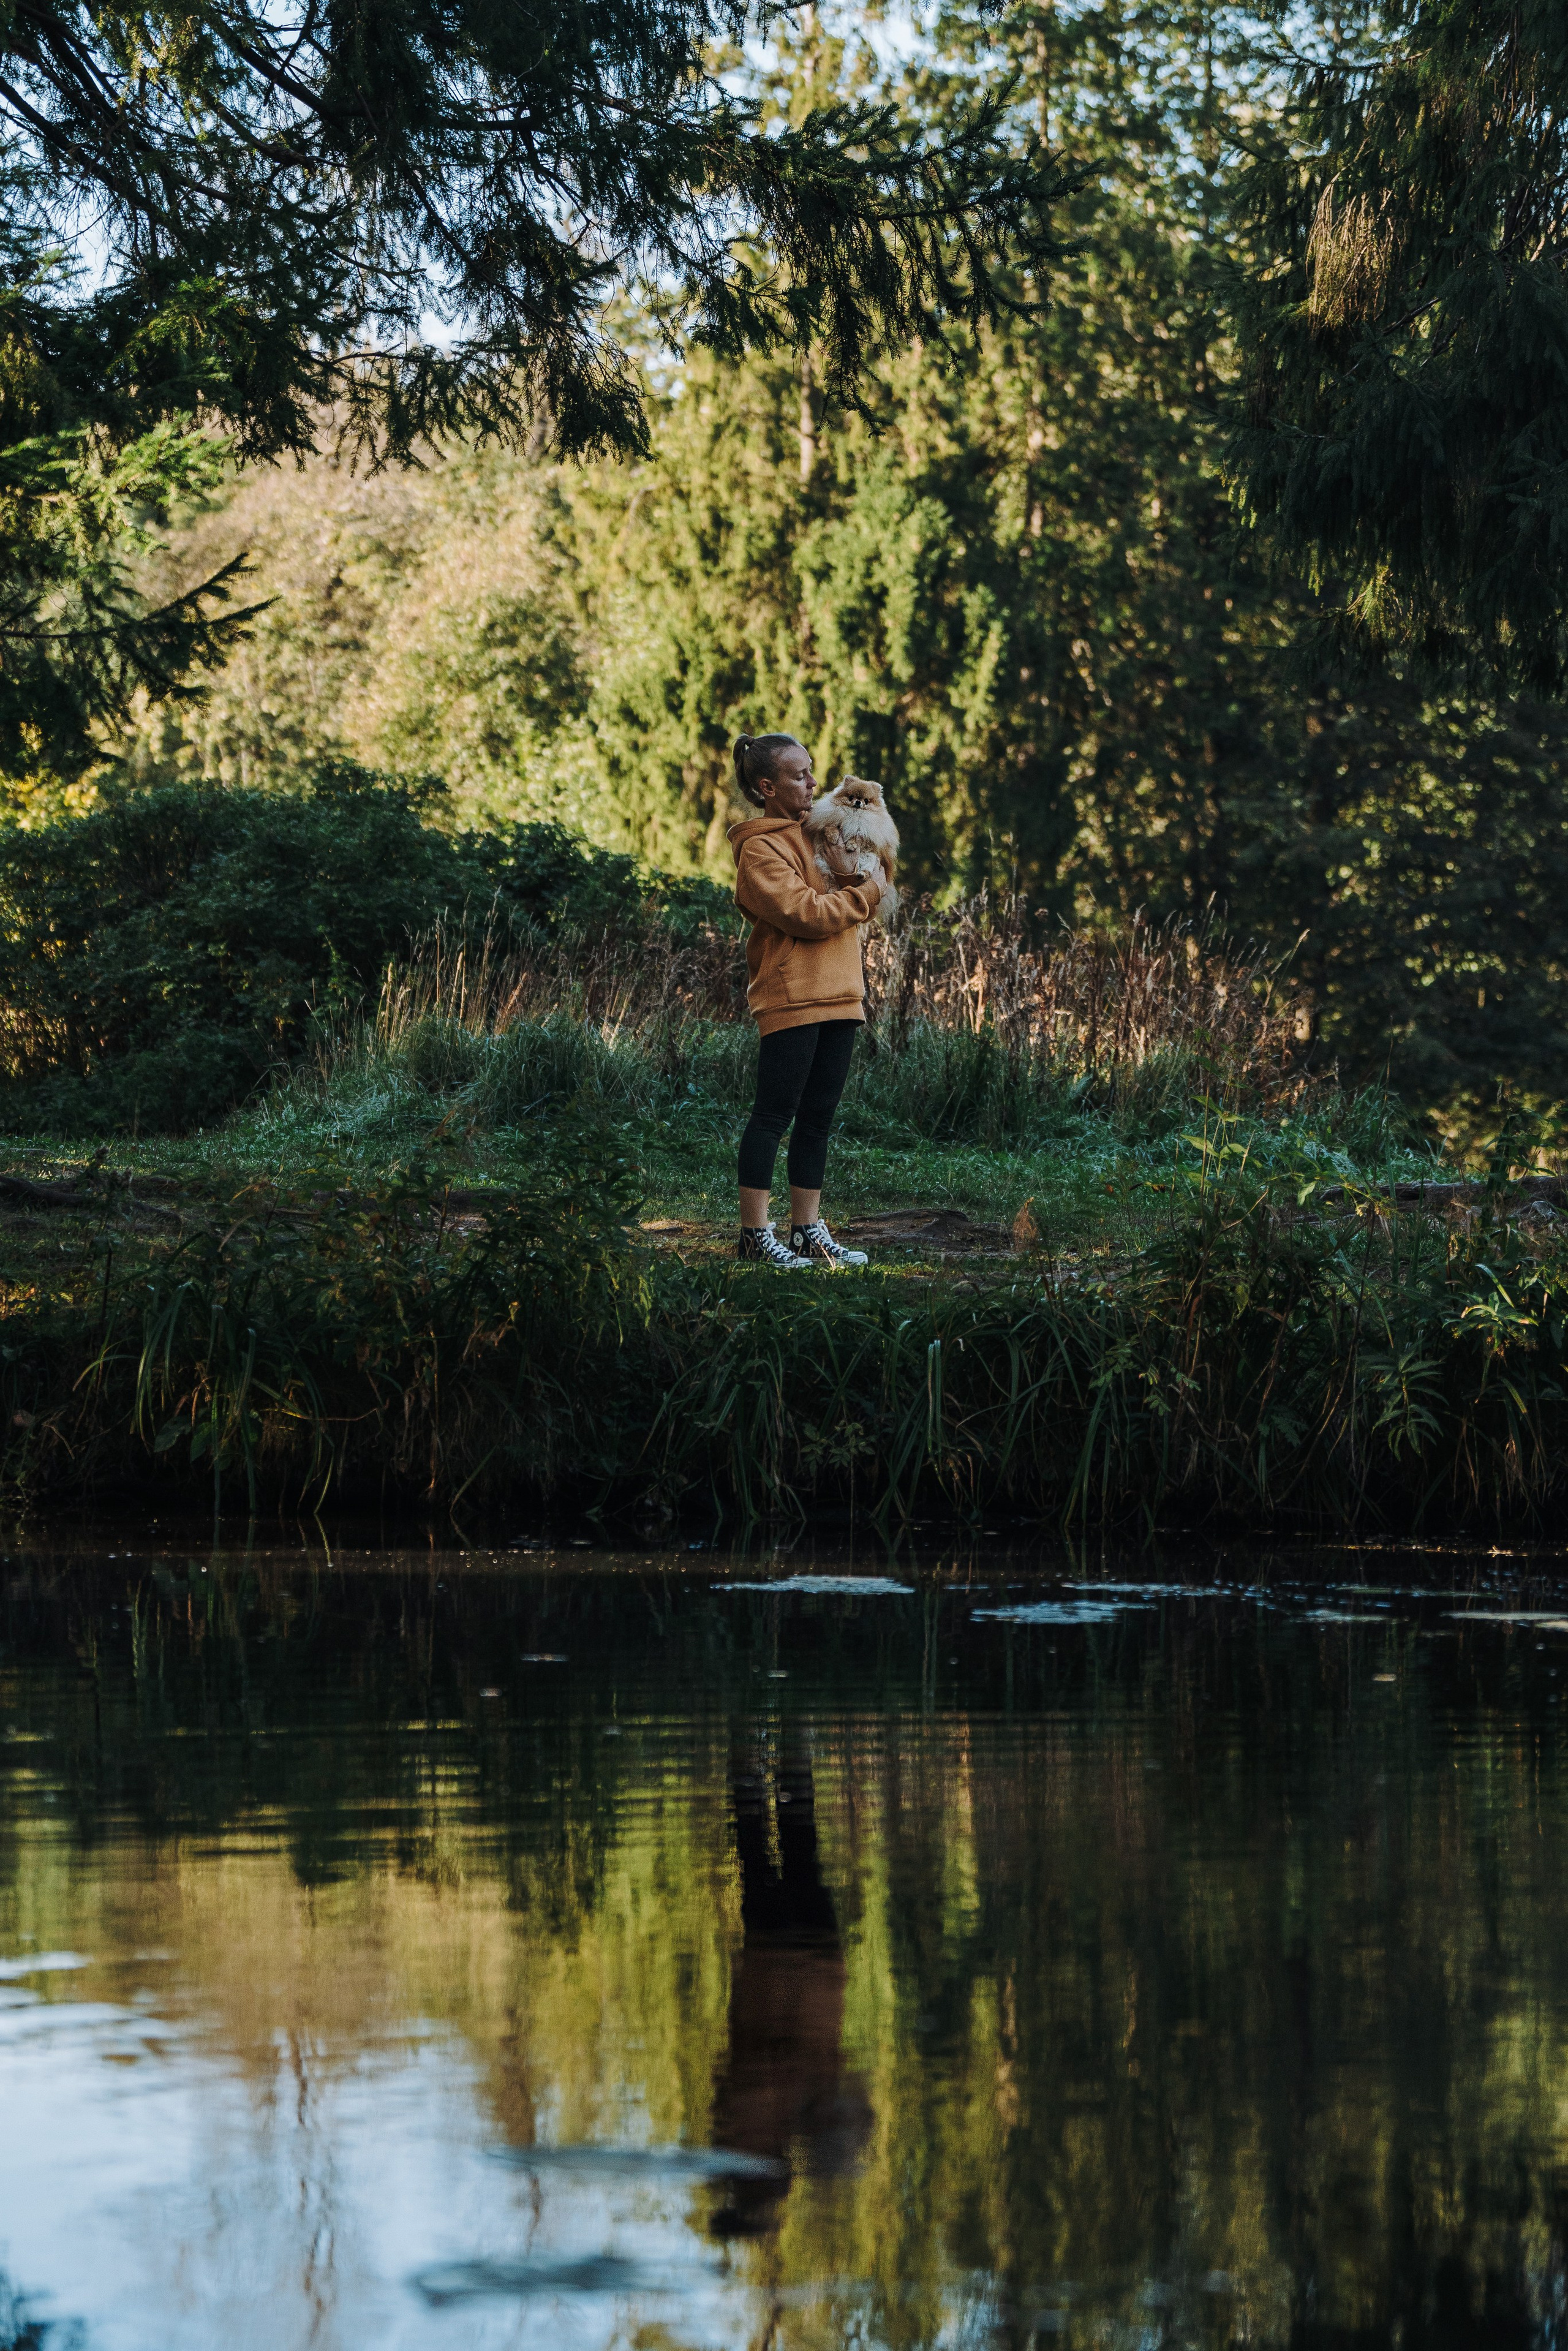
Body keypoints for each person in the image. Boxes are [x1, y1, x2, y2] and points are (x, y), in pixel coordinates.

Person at [728, 731, 888, 1268]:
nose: (813, 783)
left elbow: (872, 870)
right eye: (799, 775)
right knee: (773, 1116)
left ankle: (806, 1232)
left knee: (818, 1118)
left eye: (812, 771)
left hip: (843, 993)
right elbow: (808, 914)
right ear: (767, 786)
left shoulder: (823, 830)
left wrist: (852, 870)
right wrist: (865, 894)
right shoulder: (759, 849)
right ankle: (754, 1235)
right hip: (793, 996)